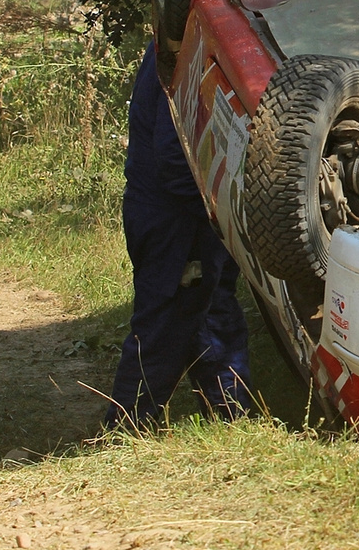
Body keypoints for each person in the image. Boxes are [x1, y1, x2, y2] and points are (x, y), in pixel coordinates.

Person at [104, 43, 252, 428]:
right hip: (173, 220)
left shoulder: (183, 47)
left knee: (212, 314)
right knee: (163, 326)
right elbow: (174, 158)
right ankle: (125, 429)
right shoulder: (183, 55)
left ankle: (231, 419)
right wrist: (226, 214)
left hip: (181, 216)